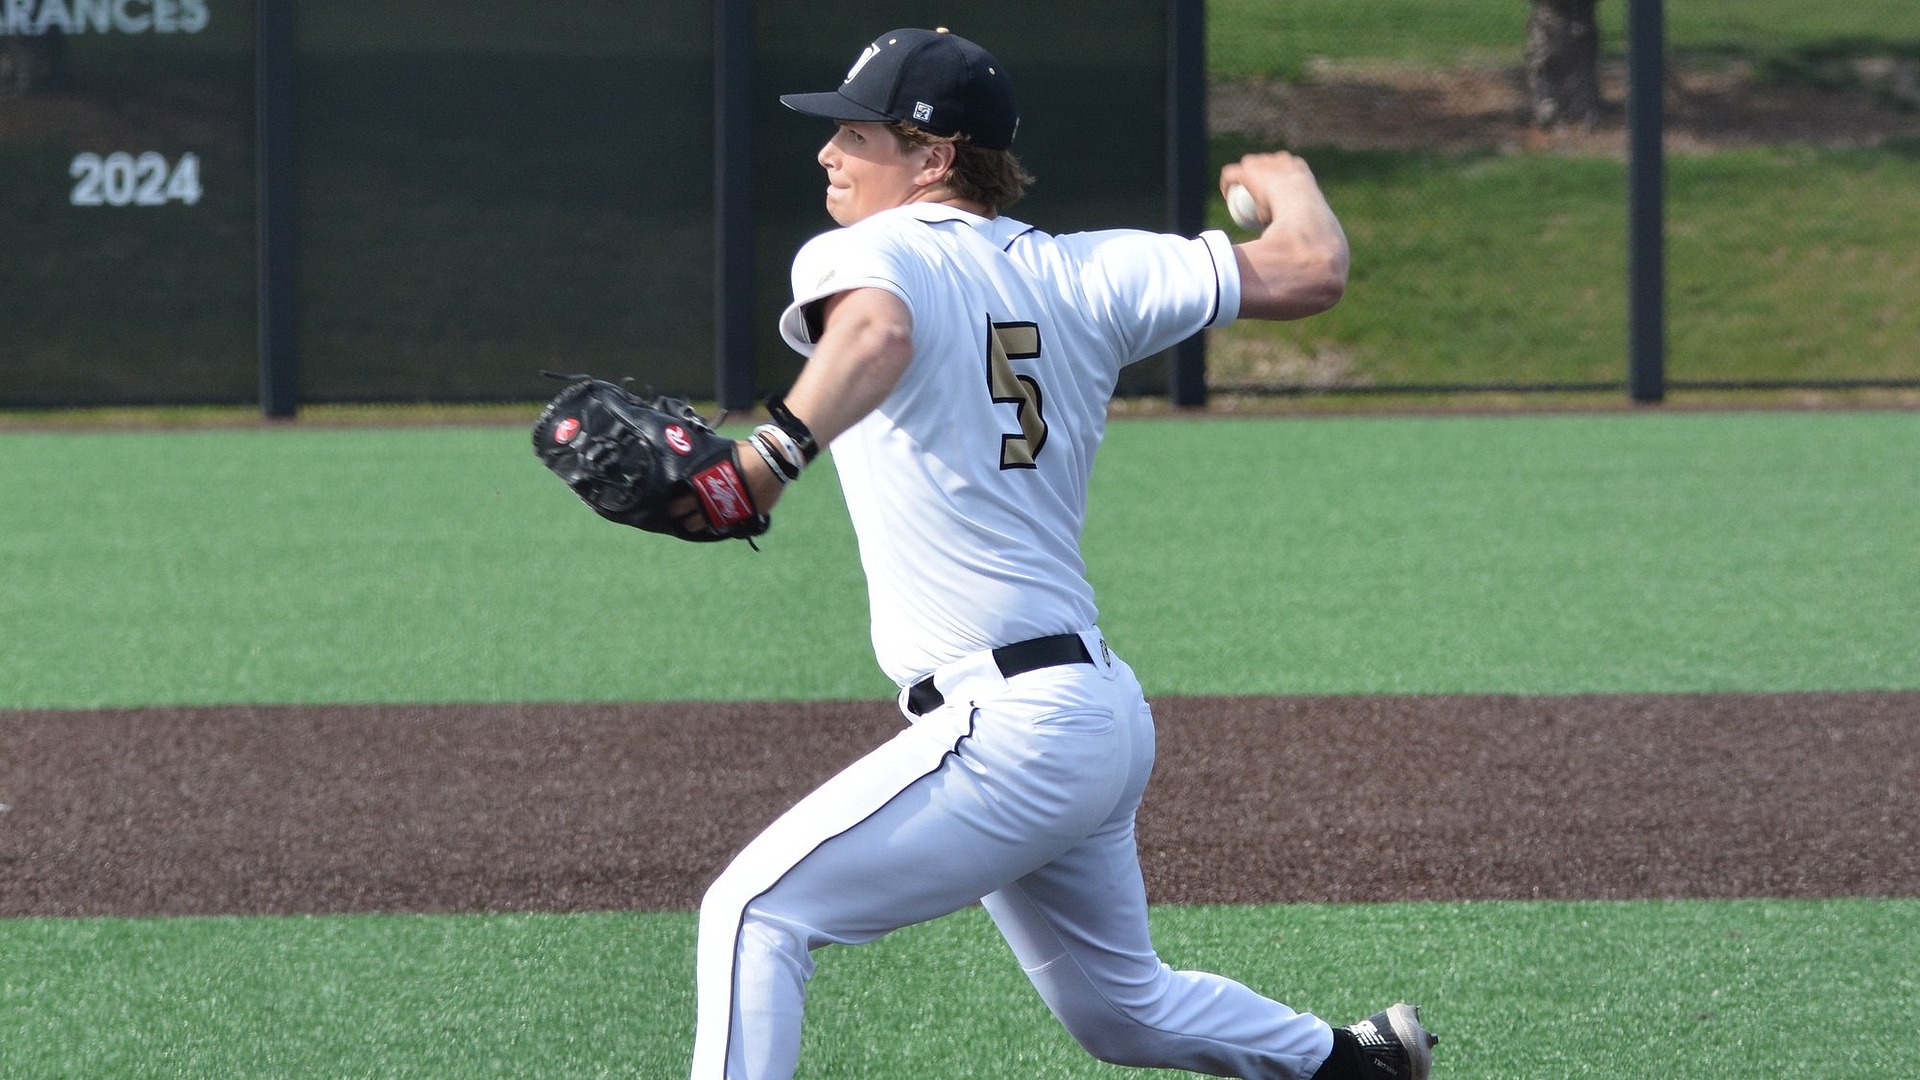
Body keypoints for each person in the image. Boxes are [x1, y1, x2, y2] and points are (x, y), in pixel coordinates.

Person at [684, 26, 1437, 1080]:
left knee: (754, 916)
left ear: (932, 156)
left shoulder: (869, 251)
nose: (829, 154)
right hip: (1097, 715)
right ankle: (1354, 1065)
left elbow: (879, 336)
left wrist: (763, 460)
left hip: (1011, 728)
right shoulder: (1096, 271)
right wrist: (1292, 180)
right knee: (1121, 1011)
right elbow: (1309, 267)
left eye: (856, 132)